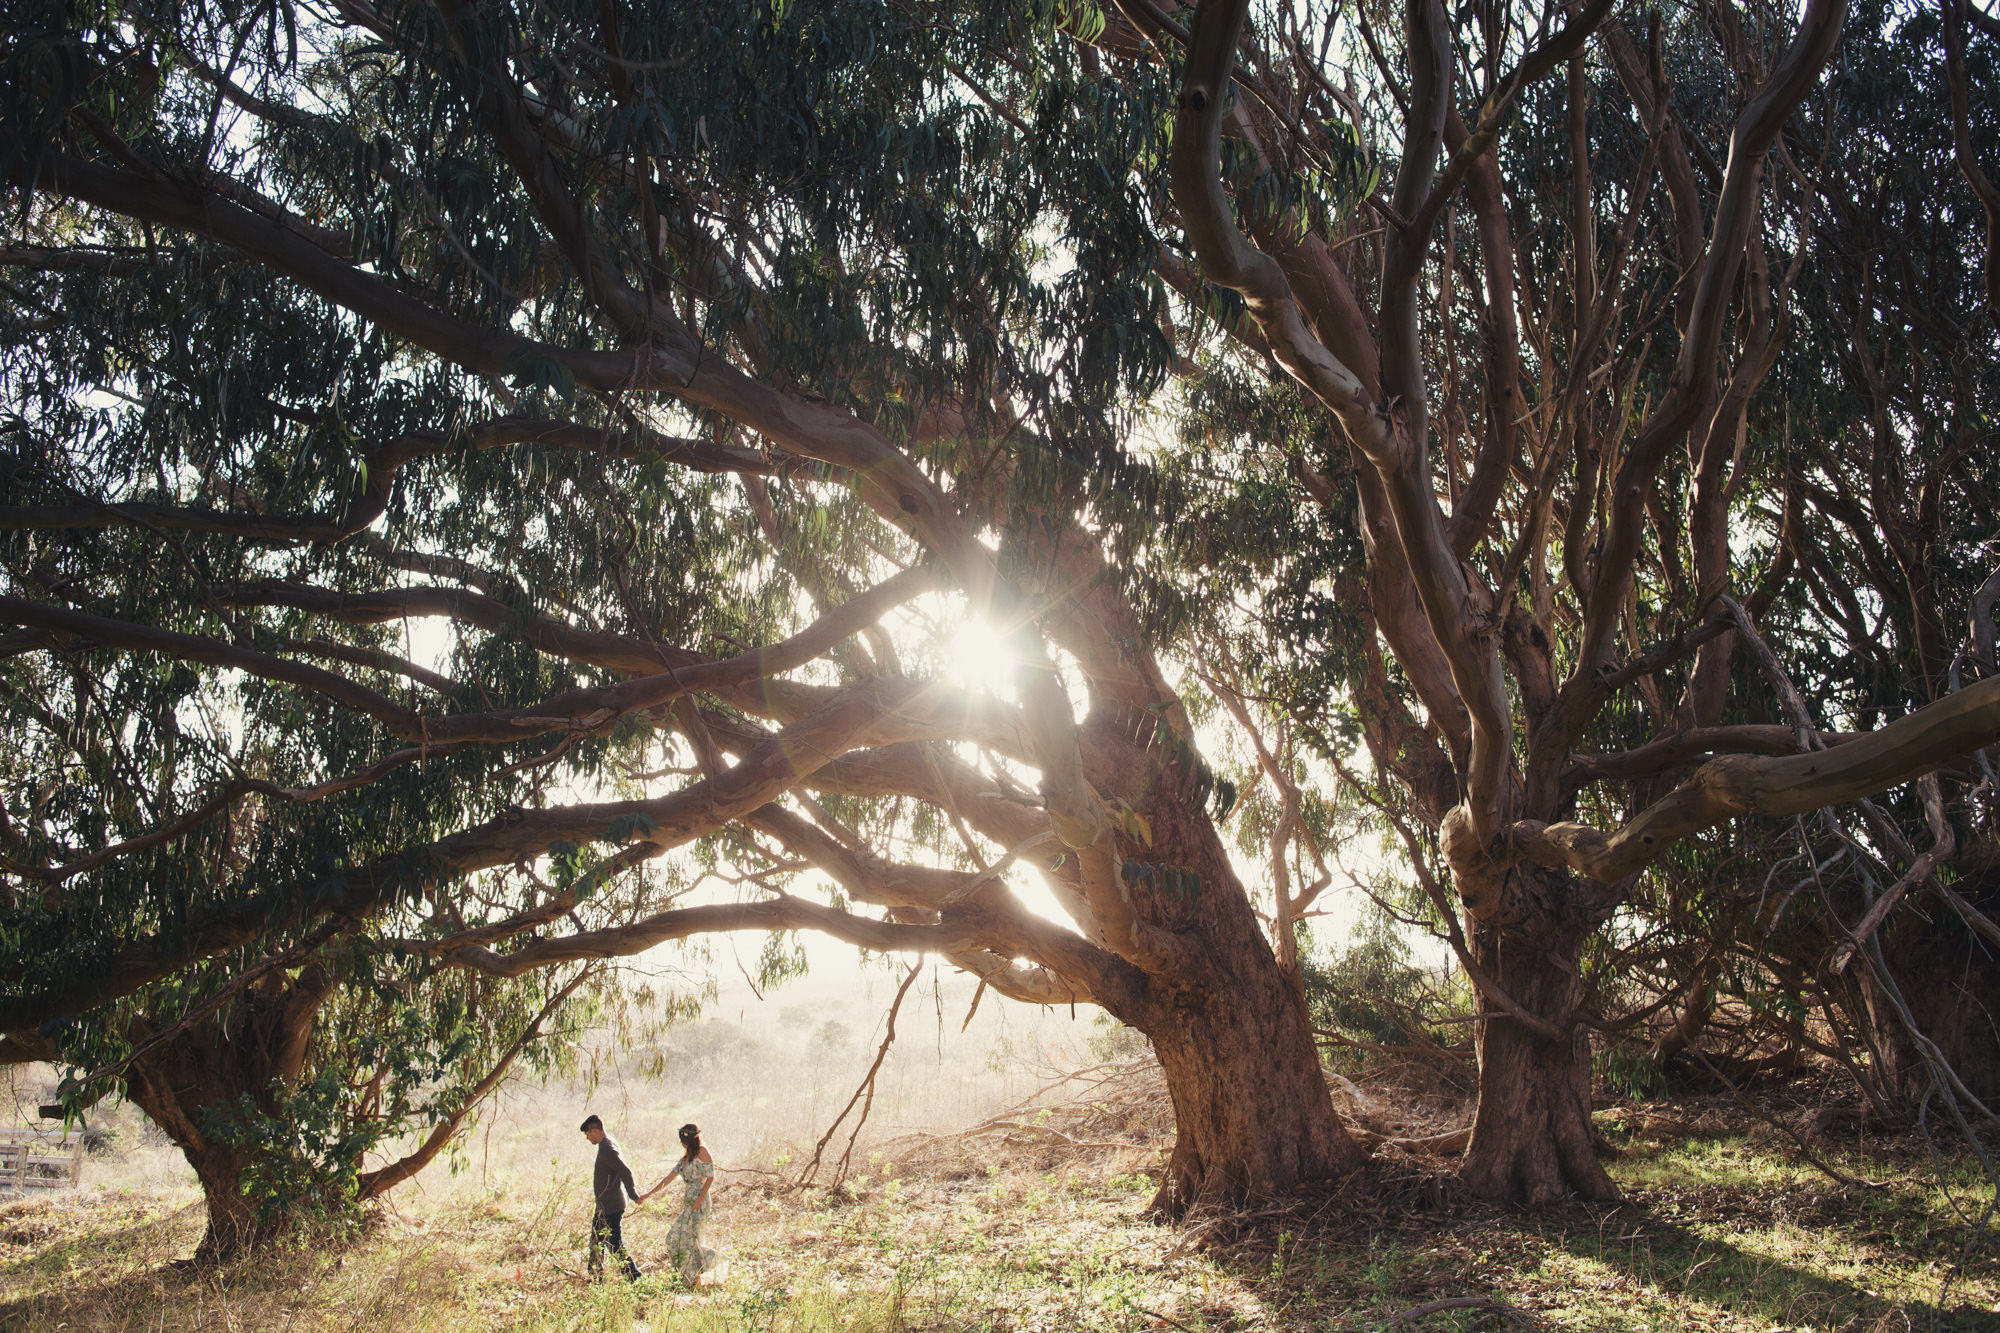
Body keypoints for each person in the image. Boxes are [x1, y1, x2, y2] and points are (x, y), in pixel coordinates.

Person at [642, 1122, 716, 1285]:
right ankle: (690, 1277)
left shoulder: (702, 1152)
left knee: (691, 1238)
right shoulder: (685, 1157)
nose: (683, 1143)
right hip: (688, 1201)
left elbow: (710, 1177)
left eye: (685, 1140)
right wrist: (648, 1194)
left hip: (700, 1200)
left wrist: (699, 1200)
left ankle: (701, 1274)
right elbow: (669, 1178)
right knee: (676, 1238)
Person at [579, 1114, 643, 1282]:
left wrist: (633, 1194)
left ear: (594, 1130)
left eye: (588, 1134)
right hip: (605, 1205)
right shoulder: (608, 1143)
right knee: (597, 1243)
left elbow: (625, 1171)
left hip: (611, 1206)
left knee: (613, 1244)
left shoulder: (607, 1148)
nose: (587, 1138)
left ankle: (634, 1278)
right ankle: (596, 1278)